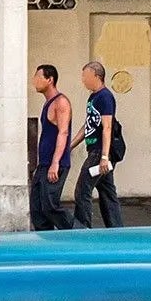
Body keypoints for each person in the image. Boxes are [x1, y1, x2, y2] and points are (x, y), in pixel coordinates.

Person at [73, 59, 125, 229]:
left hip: (99, 153)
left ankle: (82, 228)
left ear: (96, 76)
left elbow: (107, 127)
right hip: (95, 151)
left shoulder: (105, 97)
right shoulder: (93, 97)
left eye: (85, 76)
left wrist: (104, 156)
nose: (83, 79)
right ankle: (116, 229)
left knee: (82, 190)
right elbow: (88, 125)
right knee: (107, 191)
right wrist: (71, 145)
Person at [28, 64, 73, 231]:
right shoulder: (48, 103)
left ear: (49, 80)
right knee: (37, 209)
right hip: (44, 164)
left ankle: (79, 232)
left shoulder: (60, 102)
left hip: (56, 164)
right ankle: (45, 242)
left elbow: (63, 132)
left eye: (38, 77)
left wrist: (55, 163)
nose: (34, 81)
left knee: (50, 206)